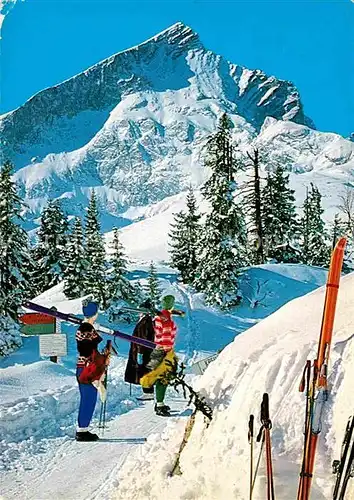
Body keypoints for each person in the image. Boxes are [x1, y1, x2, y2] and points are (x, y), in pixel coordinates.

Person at [75, 300, 102, 442]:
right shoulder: (86, 328)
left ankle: (83, 429)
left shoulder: (86, 327)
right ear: (94, 313)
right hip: (87, 369)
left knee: (88, 399)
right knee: (88, 399)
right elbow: (85, 350)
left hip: (84, 367)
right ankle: (82, 431)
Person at [124, 300, 156, 400]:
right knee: (144, 371)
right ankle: (147, 391)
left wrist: (140, 352)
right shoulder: (146, 320)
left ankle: (148, 392)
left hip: (144, 351)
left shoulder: (145, 322)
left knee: (144, 371)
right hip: (144, 351)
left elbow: (142, 338)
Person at [152, 295, 177, 416]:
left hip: (158, 349)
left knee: (161, 378)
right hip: (164, 351)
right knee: (163, 378)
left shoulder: (160, 316)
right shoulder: (166, 317)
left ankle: (159, 403)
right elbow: (166, 337)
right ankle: (160, 406)